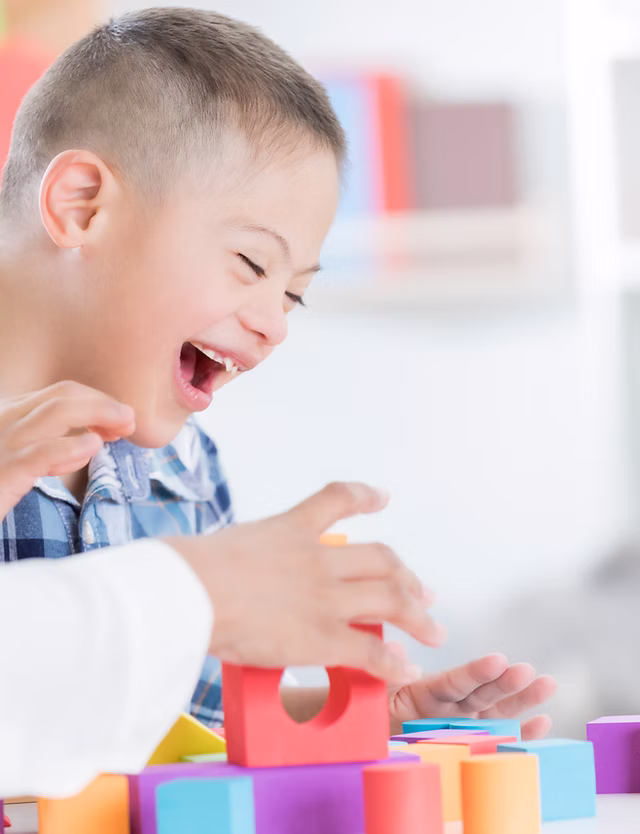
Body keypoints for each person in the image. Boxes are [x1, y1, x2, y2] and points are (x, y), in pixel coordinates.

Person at [0, 6, 556, 786]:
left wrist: (372, 718)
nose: (273, 327)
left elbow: (188, 732)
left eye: (293, 295)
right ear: (82, 205)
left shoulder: (185, 472)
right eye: (251, 263)